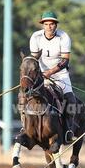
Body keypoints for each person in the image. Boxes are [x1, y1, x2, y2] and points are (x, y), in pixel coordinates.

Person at [29, 11, 77, 143]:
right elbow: (33, 59)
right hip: (41, 76)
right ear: (42, 25)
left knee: (71, 100)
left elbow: (65, 60)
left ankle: (68, 130)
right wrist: (37, 74)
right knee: (27, 97)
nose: (49, 27)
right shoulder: (35, 37)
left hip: (60, 75)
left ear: (56, 25)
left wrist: (50, 72)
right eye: (46, 24)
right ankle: (26, 127)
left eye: (52, 24)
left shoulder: (63, 37)